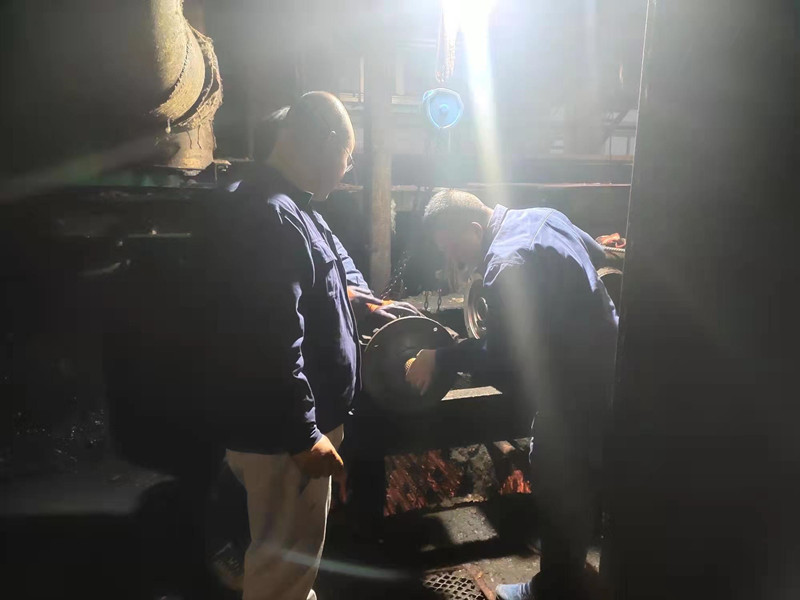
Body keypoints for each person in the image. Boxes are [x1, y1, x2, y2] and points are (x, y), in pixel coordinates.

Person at [406, 190, 619, 600]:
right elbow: (596, 254)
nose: (452, 259)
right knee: (588, 472)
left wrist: (440, 357)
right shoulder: (544, 215)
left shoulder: (506, 264)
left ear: (474, 229)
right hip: (613, 361)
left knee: (558, 478)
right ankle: (572, 556)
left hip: (575, 384)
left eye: (452, 248)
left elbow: (504, 361)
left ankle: (554, 589)